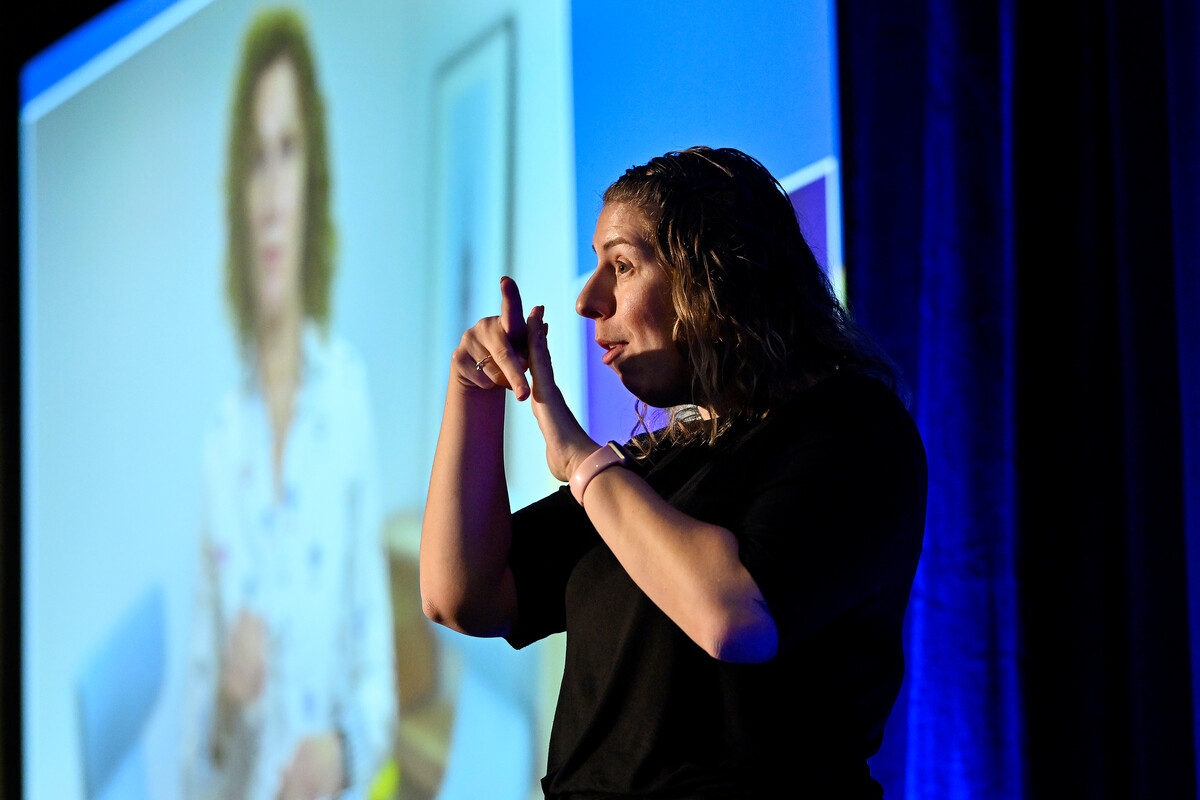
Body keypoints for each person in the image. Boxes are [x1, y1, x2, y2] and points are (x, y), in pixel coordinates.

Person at [419, 146, 928, 798]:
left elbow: (732, 617)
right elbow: (461, 595)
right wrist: (474, 392)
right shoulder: (655, 467)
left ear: (713, 276)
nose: (587, 300)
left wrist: (580, 459)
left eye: (622, 265)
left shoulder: (852, 426)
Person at [182, 9, 397, 800]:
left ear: (313, 181)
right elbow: (197, 764)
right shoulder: (216, 443)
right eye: (254, 162)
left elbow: (379, 681)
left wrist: (344, 751)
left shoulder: (349, 395)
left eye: (288, 153)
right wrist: (227, 709)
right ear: (238, 195)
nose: (272, 195)